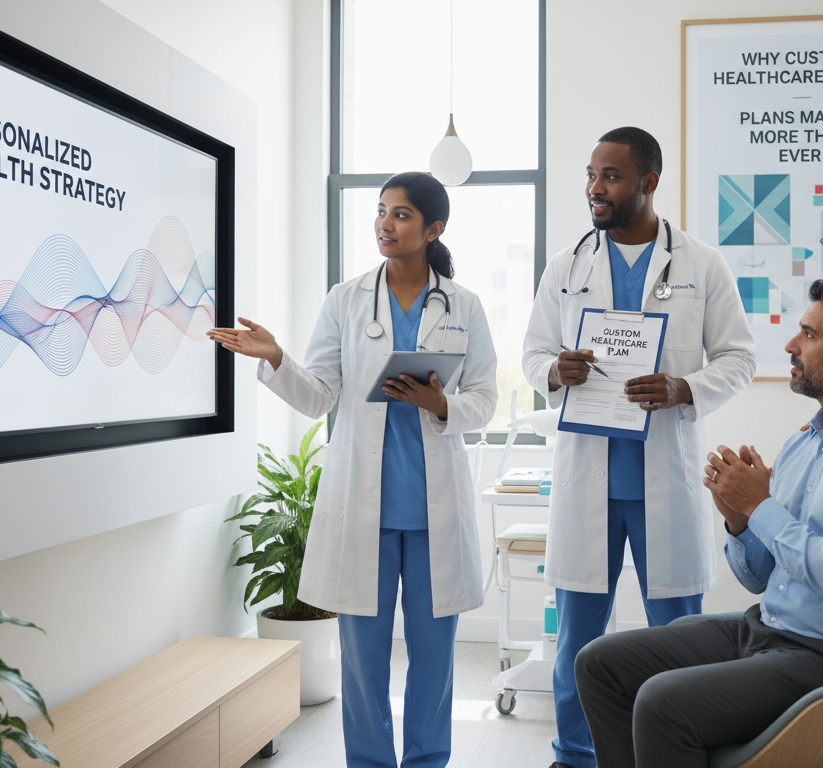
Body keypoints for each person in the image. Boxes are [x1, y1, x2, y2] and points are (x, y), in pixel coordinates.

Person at [574, 279, 823, 768]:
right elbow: (759, 578)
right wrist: (739, 522)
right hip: (768, 630)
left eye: (809, 335)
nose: (791, 346)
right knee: (600, 663)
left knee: (663, 704)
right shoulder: (803, 443)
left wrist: (760, 507)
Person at [207, 171, 496, 768]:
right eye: (381, 211)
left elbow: (486, 399)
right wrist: (277, 358)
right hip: (365, 509)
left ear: (433, 228)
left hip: (433, 510)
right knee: (363, 660)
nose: (385, 224)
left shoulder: (464, 305)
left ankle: (427, 761)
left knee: (434, 657)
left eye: (401, 214)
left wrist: (439, 402)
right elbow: (318, 395)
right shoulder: (346, 298)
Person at [521, 126, 755, 768]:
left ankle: (675, 751)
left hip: (664, 479)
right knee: (576, 640)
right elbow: (533, 353)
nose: (595, 188)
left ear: (648, 182)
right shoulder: (565, 266)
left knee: (678, 637)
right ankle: (574, 755)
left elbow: (739, 357)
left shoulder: (702, 264)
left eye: (611, 176)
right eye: (591, 175)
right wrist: (554, 370)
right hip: (587, 481)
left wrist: (684, 387)